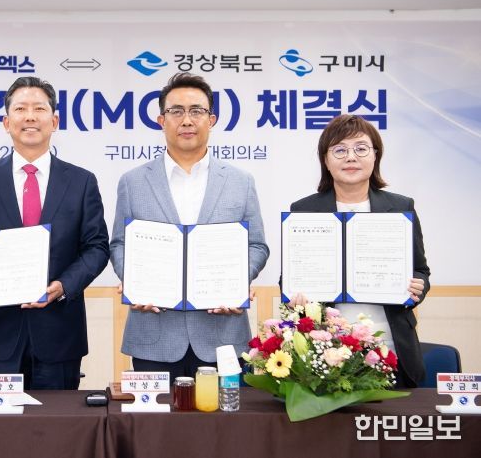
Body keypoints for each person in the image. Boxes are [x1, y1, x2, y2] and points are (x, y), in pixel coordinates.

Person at [110, 72, 269, 378]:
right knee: (156, 413)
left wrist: (236, 282)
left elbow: (257, 245)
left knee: (226, 412)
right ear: (161, 120)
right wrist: (133, 278)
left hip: (222, 335)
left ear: (211, 120)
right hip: (154, 335)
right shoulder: (132, 182)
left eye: (196, 111)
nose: (186, 120)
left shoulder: (241, 181)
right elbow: (119, 244)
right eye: (176, 111)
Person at [0, 76, 109, 390]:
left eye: (39, 109)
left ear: (54, 121)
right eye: (20, 109)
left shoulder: (81, 181)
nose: (30, 116)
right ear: (6, 122)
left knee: (58, 420)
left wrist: (63, 285)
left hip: (60, 332)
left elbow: (97, 247)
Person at [289, 114, 430, 388]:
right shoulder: (303, 210)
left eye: (361, 148)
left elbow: (420, 270)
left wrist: (418, 288)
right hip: (328, 351)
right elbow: (292, 277)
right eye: (340, 150)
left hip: (390, 348)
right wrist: (296, 297)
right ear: (325, 159)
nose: (351, 157)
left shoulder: (401, 207)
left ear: (375, 155)